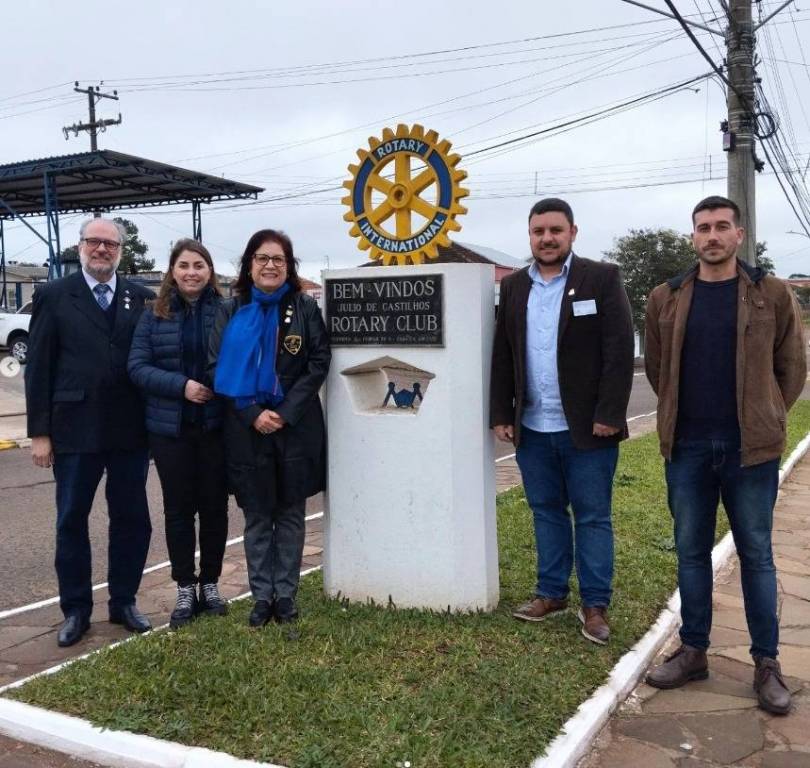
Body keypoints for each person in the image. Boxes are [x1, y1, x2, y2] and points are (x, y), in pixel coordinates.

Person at [644, 195, 807, 714]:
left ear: (739, 234)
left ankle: (767, 664)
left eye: (721, 227)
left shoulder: (772, 293)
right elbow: (658, 370)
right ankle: (694, 652)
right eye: (702, 228)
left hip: (750, 450)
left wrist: (766, 412)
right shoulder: (666, 297)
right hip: (687, 447)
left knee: (756, 554)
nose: (711, 236)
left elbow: (791, 367)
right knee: (690, 552)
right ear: (693, 236)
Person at [490, 198, 634, 644]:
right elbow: (503, 352)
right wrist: (502, 413)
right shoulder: (514, 286)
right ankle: (551, 593)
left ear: (572, 232)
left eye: (555, 230)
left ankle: (595, 605)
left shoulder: (601, 278)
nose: (547, 239)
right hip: (533, 427)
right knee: (546, 512)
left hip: (588, 428)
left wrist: (610, 414)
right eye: (539, 232)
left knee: (592, 516)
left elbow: (619, 350)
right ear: (530, 236)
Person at [25, 218, 154, 647]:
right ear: (80, 246)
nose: (102, 249)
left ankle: (124, 602)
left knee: (132, 520)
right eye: (94, 242)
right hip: (73, 429)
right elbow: (38, 366)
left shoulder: (141, 297)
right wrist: (39, 432)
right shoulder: (53, 296)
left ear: (121, 251)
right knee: (71, 521)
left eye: (110, 244)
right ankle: (76, 610)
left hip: (130, 431)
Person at [209, 229, 330, 627]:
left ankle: (287, 595)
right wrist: (252, 413)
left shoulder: (304, 307)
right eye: (262, 258)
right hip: (247, 428)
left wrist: (284, 411)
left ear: (289, 266)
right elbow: (216, 367)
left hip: (295, 426)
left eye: (279, 259)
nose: (270, 265)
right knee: (258, 516)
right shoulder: (231, 309)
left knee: (291, 514)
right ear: (249, 264)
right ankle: (262, 597)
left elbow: (318, 361)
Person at [128, 239, 229, 630]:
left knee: (215, 509)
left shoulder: (226, 310)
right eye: (184, 265)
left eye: (199, 265)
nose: (191, 272)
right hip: (170, 431)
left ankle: (211, 584)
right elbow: (137, 366)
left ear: (209, 271)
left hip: (215, 428)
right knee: (178, 510)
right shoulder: (153, 314)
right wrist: (181, 386)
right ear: (172, 270)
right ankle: (185, 587)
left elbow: (237, 360)